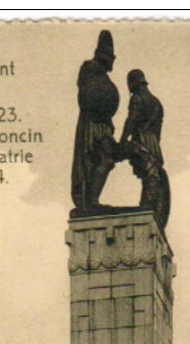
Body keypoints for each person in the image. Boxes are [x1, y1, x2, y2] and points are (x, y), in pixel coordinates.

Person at [71, 30, 119, 211]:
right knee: (95, 160)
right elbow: (86, 95)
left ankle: (92, 200)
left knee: (106, 160)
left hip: (104, 123)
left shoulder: (102, 75)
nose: (113, 62)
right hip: (92, 123)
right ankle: (90, 201)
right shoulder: (90, 68)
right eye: (111, 57)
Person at [119, 69, 170, 229]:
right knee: (151, 173)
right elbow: (158, 130)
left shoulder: (137, 98)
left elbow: (131, 120)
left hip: (141, 139)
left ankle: (147, 205)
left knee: (148, 174)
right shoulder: (157, 103)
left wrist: (123, 139)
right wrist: (154, 143)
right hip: (153, 142)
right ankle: (149, 204)